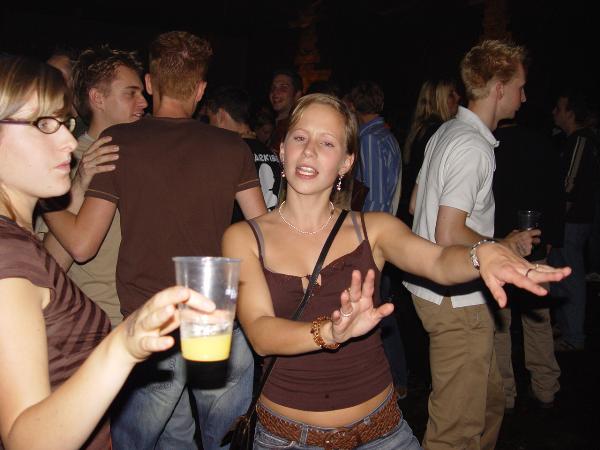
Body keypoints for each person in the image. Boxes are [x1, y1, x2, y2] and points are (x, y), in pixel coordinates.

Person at [222, 93, 570, 450]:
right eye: (300, 137)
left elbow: (438, 261)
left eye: (326, 142)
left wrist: (481, 254)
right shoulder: (244, 238)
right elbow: (261, 332)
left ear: (346, 162)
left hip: (382, 434)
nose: (309, 151)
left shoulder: (374, 229)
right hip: (288, 438)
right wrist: (331, 331)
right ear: (282, 150)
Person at [44, 31, 267, 450]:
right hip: (216, 319)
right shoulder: (232, 147)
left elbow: (82, 245)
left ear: (150, 83)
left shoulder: (119, 142)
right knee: (217, 441)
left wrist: (44, 200)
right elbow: (263, 234)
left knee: (135, 443)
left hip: (152, 324)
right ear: (200, 90)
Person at [0, 55, 215, 450]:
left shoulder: (18, 236)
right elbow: (25, 439)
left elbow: (46, 271)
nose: (68, 142)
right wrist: (123, 343)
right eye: (43, 124)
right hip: (112, 329)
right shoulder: (8, 247)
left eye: (64, 124)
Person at [404, 40, 537, 450]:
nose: (524, 97)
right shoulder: (473, 145)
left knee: (489, 403)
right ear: (499, 88)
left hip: (438, 290)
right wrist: (501, 247)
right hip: (456, 300)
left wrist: (498, 243)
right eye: (520, 87)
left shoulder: (446, 130)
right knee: (456, 428)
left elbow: (415, 204)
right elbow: (449, 232)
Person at [38, 45, 148, 327]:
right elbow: (49, 267)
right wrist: (76, 187)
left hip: (142, 323)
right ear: (98, 98)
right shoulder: (64, 161)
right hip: (88, 326)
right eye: (131, 93)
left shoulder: (149, 157)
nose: (144, 102)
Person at [492, 118, 565, 411]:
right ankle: (544, 387)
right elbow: (555, 194)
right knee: (536, 320)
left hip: (498, 245)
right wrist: (551, 238)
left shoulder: (489, 143)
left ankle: (506, 392)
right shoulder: (539, 143)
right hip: (529, 244)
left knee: (502, 321)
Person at [549, 87, 600, 351]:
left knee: (571, 276)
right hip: (570, 220)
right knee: (561, 273)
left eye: (559, 108)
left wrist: (556, 216)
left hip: (573, 220)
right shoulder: (572, 139)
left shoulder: (580, 140)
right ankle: (565, 326)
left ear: (570, 113)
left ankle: (574, 336)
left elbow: (569, 185)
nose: (554, 113)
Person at [205, 86, 282, 214]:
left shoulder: (229, 153)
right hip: (271, 222)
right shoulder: (271, 153)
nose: (209, 126)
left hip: (246, 225)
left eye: (209, 119)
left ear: (220, 115)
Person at [403, 78, 460, 220]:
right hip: (423, 214)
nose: (458, 97)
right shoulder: (438, 132)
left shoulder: (422, 128)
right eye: (451, 94)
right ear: (438, 100)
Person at [268, 68, 303, 153]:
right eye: (273, 88)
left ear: (297, 95)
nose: (275, 92)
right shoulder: (277, 126)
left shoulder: (297, 128)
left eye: (283, 88)